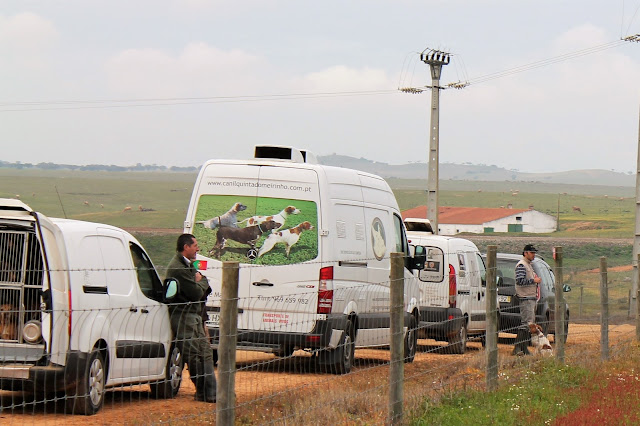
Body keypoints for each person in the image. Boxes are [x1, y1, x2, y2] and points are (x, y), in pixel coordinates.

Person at [166, 234, 216, 402]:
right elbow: (196, 292)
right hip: (184, 315)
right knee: (194, 354)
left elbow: (201, 283)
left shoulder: (187, 264)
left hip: (194, 315)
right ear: (186, 247)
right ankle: (204, 392)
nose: (197, 248)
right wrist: (202, 282)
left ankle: (211, 391)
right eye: (195, 245)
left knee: (205, 352)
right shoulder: (179, 268)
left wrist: (201, 281)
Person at [512, 244, 542, 356]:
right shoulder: (522, 265)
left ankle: (522, 348)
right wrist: (534, 281)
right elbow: (520, 281)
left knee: (528, 324)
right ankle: (519, 348)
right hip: (525, 298)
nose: (533, 255)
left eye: (534, 253)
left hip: (530, 297)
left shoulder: (528, 265)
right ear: (525, 253)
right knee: (526, 324)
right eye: (531, 253)